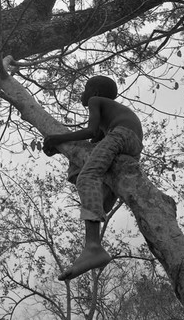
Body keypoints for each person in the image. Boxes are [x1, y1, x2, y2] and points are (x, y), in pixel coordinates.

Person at [43, 75, 143, 281]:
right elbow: (88, 146)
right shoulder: (109, 116)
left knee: (87, 178)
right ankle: (92, 246)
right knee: (95, 189)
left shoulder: (94, 102)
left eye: (85, 88)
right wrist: (59, 148)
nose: (83, 93)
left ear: (95, 93)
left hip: (122, 135)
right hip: (131, 145)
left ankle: (93, 246)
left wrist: (57, 138)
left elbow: (90, 130)